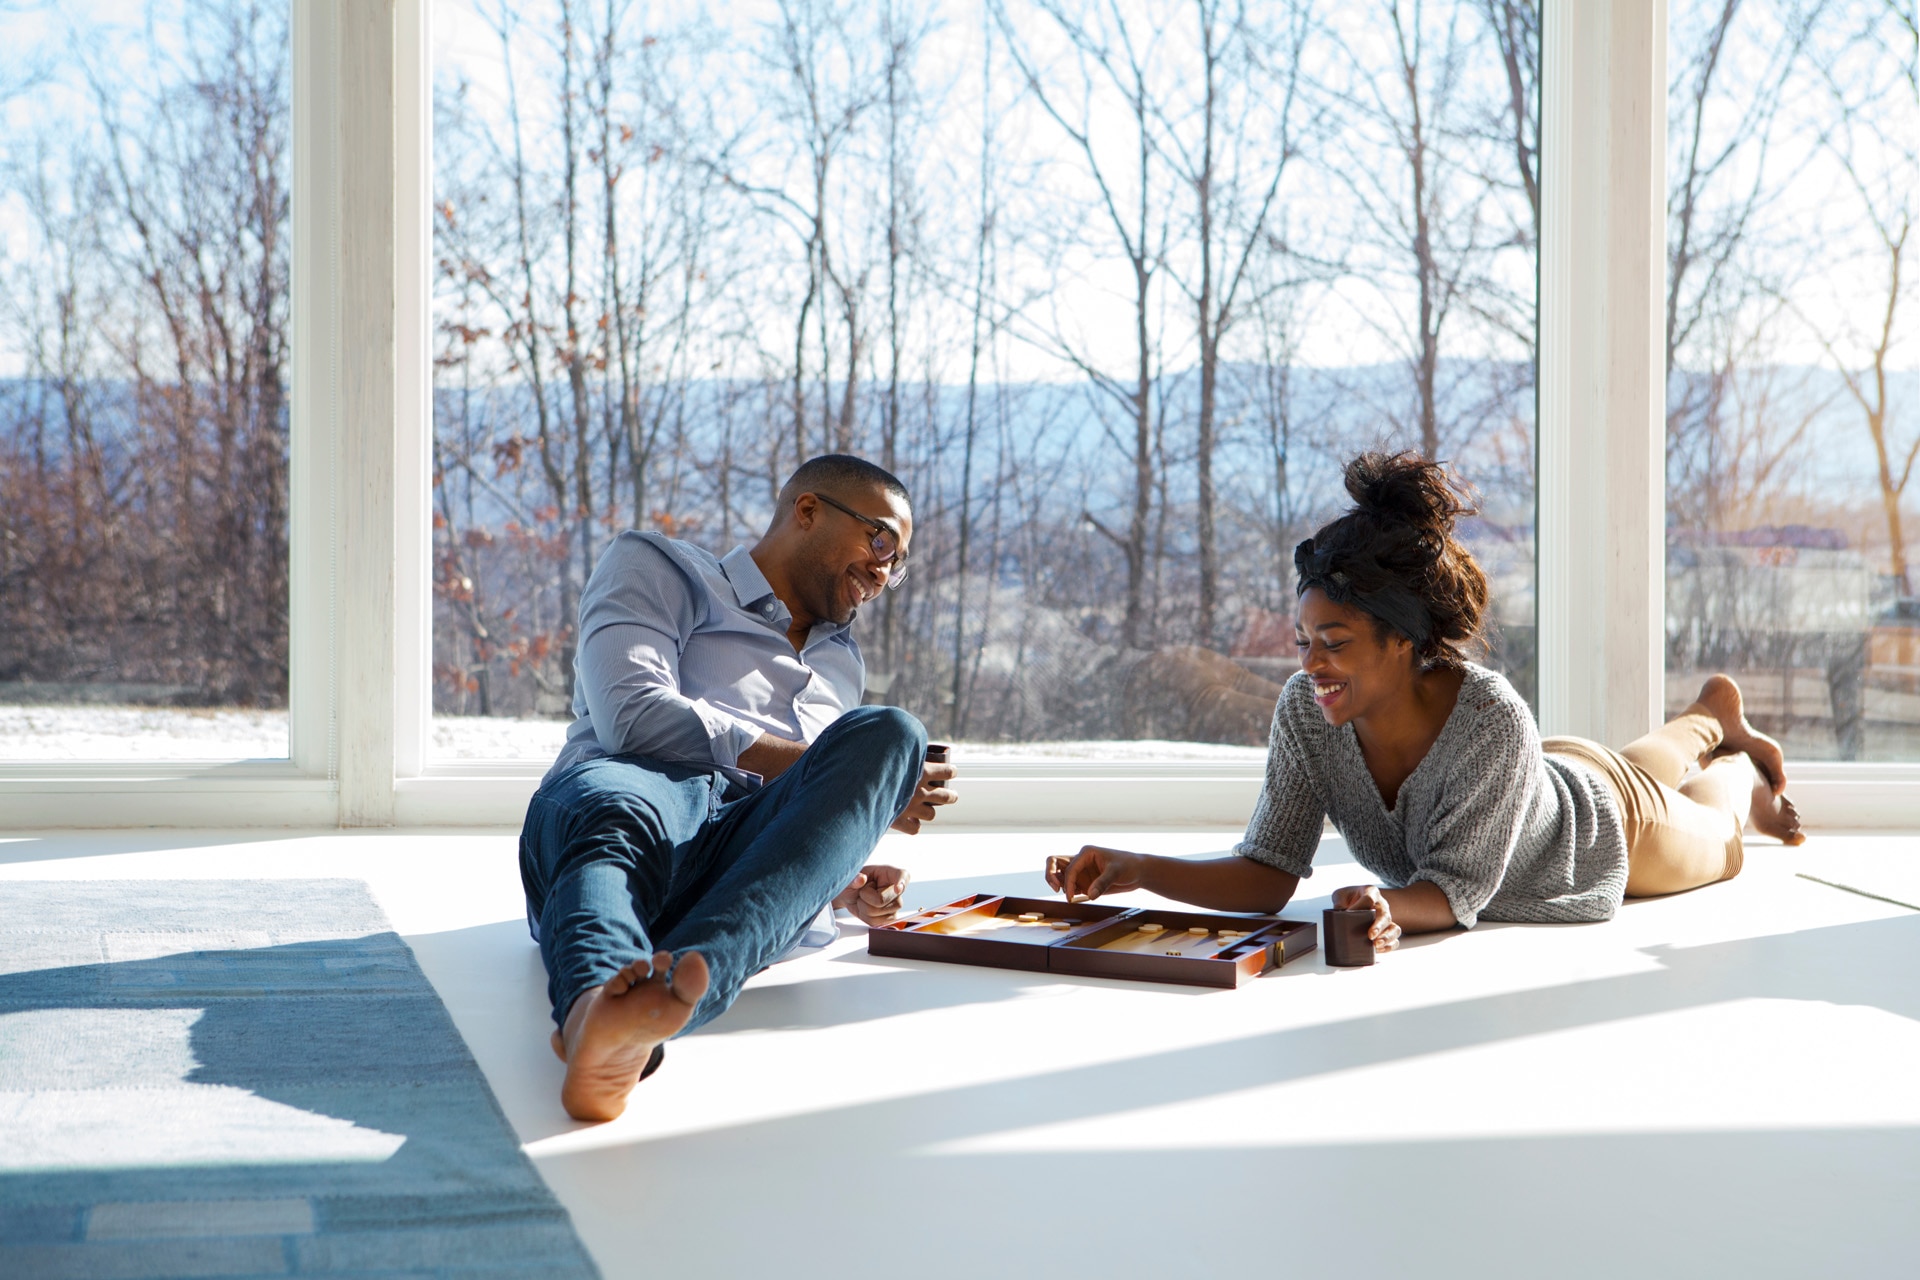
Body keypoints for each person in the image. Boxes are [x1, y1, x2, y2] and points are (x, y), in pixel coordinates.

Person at [1047, 451, 1803, 953]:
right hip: (1540, 771)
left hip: (1603, 830)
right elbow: (1269, 871)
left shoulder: (1491, 716)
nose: (1310, 664)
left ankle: (1739, 766)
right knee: (1635, 759)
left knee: (1721, 837)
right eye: (1304, 639)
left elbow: (1449, 893)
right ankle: (1711, 711)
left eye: (1333, 642)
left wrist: (1387, 903)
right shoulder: (1308, 711)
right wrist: (1140, 867)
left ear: (1403, 642)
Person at [520, 454, 957, 1121]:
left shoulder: (843, 660)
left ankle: (653, 1009)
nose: (884, 569)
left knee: (893, 734)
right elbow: (630, 712)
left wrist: (839, 877)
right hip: (641, 790)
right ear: (808, 511)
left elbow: (780, 812)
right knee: (621, 811)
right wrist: (810, 765)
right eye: (880, 541)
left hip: (732, 859)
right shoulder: (660, 566)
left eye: (897, 563)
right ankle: (594, 1009)